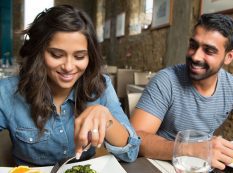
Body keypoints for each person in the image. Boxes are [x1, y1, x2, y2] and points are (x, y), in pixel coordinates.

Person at [130, 13, 233, 170]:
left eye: (209, 50)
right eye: (193, 45)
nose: (195, 56)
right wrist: (192, 149)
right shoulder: (166, 81)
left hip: (202, 165)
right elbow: (136, 138)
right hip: (159, 164)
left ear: (229, 56)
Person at [0, 5, 140, 166]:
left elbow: (131, 153)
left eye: (79, 56)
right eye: (56, 55)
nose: (68, 66)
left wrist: (107, 117)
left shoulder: (101, 86)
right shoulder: (6, 92)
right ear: (38, 53)